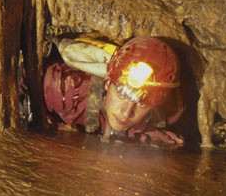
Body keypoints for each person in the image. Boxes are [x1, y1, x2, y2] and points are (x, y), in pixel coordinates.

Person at [43, 35, 185, 147]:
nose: (126, 113)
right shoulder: (64, 89)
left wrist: (143, 132)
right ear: (107, 82)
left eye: (142, 104)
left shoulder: (170, 113)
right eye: (122, 92)